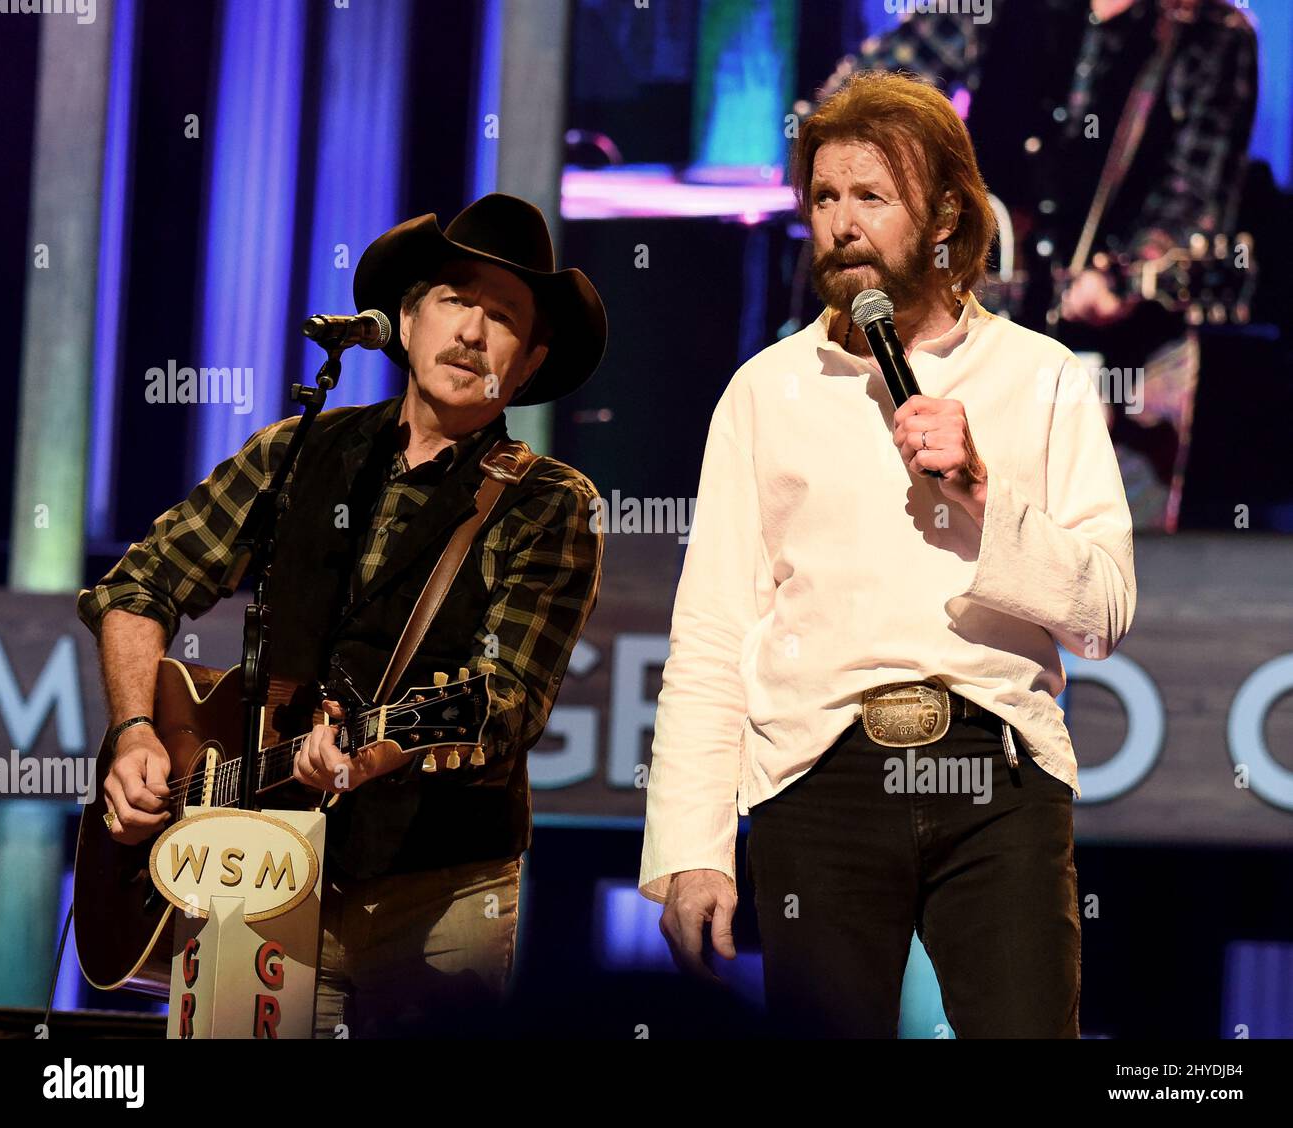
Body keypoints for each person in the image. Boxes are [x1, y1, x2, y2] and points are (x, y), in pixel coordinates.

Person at [639, 72, 1136, 1037]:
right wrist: (692, 847)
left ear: (947, 209)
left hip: (996, 773)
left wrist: (986, 497)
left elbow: (1106, 610)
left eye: (872, 196)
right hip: (818, 778)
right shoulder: (764, 390)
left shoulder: (1042, 376)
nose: (842, 223)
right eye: (825, 197)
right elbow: (711, 634)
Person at [77, 193, 607, 1037]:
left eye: (502, 317)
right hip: (252, 862)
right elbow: (137, 587)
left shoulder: (550, 504)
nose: (471, 332)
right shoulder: (297, 450)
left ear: (532, 361)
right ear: (404, 320)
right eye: (455, 300)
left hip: (437, 893)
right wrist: (138, 729)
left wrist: (375, 748)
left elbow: (503, 703)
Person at [818, 0, 1258, 529]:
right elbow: (853, 106)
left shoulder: (1212, 31)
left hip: (1130, 357)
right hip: (967, 330)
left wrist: (1126, 271)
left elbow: (1195, 196)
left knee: (1107, 559)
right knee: (945, 541)